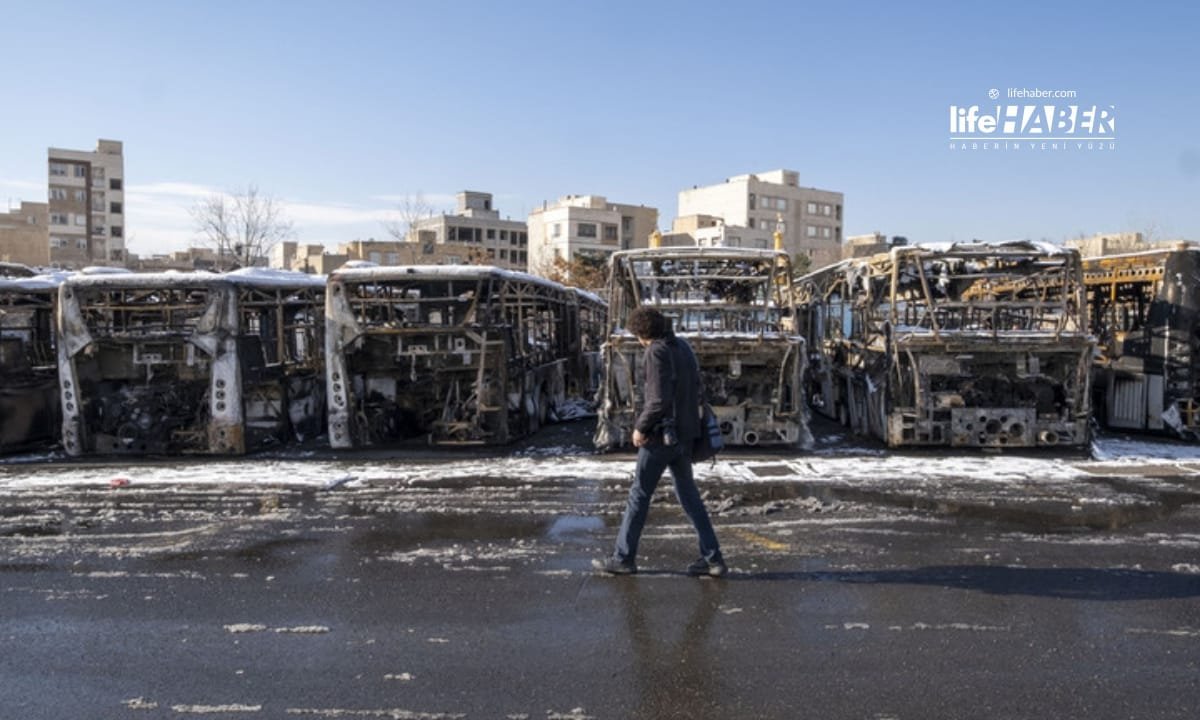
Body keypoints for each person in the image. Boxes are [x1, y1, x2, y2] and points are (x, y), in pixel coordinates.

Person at [595, 307, 727, 577]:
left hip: (661, 436)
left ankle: (623, 558)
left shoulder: (656, 351)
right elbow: (696, 390)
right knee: (689, 495)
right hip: (686, 435)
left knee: (639, 495)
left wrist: (640, 428)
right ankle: (713, 559)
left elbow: (657, 400)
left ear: (642, 333)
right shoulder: (684, 348)